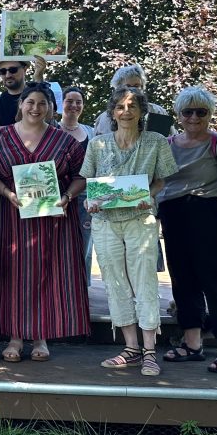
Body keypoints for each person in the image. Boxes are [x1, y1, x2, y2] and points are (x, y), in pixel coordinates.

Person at [0, 81, 89, 362]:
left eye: (42, 103)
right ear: (21, 105)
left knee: (48, 274)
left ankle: (41, 336)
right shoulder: (1, 137)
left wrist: (66, 196)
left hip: (53, 221)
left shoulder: (65, 141)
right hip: (12, 217)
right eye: (30, 102)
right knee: (14, 274)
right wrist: (6, 192)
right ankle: (15, 337)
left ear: (51, 108)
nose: (35, 108)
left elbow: (82, 176)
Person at [80, 88, 178, 376]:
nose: (126, 111)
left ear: (141, 111)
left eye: (132, 105)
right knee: (115, 283)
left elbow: (161, 180)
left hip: (140, 220)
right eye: (120, 106)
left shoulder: (156, 142)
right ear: (112, 112)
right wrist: (89, 200)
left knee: (144, 281)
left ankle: (150, 352)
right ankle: (131, 349)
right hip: (106, 223)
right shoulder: (97, 144)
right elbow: (91, 183)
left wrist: (150, 193)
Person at [159, 86, 217, 374]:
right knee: (183, 280)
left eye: (201, 111)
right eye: (188, 112)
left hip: (210, 216)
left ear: (210, 114)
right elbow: (153, 182)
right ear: (179, 114)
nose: (195, 117)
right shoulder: (168, 144)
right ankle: (192, 343)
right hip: (175, 218)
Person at [59, 87, 97, 285]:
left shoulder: (92, 132)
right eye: (69, 101)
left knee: (84, 240)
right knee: (59, 240)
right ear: (61, 103)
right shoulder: (52, 129)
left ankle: (82, 285)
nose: (74, 105)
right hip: (58, 193)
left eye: (78, 102)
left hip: (85, 194)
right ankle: (60, 283)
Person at [93, 64, 172, 136]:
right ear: (118, 89)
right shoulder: (105, 118)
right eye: (128, 86)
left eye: (137, 86)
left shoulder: (157, 112)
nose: (133, 90)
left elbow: (169, 141)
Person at [0, 57, 46, 137]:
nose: (8, 75)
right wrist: (27, 127)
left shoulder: (45, 93)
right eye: (3, 71)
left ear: (25, 69)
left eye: (13, 70)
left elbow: (47, 121)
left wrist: (39, 79)